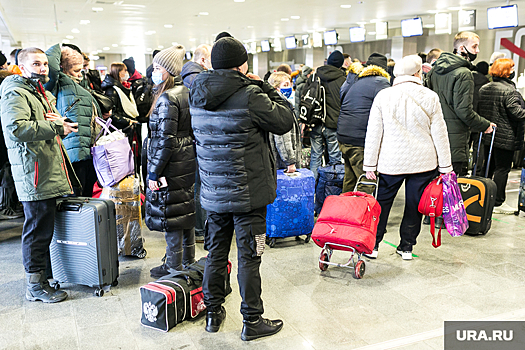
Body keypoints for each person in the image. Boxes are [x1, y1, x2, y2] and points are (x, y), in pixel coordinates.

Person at [189, 37, 294, 341]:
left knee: (215, 252)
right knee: (250, 256)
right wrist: (266, 85)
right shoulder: (250, 94)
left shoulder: (196, 92)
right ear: (241, 64)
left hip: (213, 192)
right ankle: (252, 320)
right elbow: (285, 119)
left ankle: (212, 312)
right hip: (249, 193)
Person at [0, 47, 80, 302]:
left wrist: (58, 121)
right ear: (21, 68)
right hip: (33, 173)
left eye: (45, 64)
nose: (43, 68)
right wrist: (56, 126)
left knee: (44, 228)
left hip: (44, 169)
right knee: (36, 230)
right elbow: (16, 128)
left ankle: (43, 279)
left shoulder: (36, 91)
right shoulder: (15, 91)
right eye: (36, 64)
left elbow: (42, 122)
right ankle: (34, 287)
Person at [363, 55, 453, 260]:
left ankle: (373, 245)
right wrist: (446, 166)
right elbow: (440, 133)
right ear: (417, 73)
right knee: (414, 205)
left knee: (382, 204)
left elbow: (374, 132)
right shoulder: (430, 96)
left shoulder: (384, 96)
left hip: (391, 162)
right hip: (423, 162)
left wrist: (370, 163)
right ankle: (406, 247)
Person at [145, 45, 196, 277]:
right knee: (183, 210)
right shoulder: (186, 92)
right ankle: (188, 261)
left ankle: (173, 266)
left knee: (170, 213)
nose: (154, 71)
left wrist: (154, 172)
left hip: (169, 163)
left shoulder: (166, 98)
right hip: (185, 160)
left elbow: (165, 140)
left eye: (158, 67)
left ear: (169, 70)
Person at [426, 31, 495, 177]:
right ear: (462, 48)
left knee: (435, 190)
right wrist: (485, 124)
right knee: (453, 191)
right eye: (474, 46)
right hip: (455, 140)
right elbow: (464, 110)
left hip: (434, 137)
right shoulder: (464, 73)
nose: (478, 51)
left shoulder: (435, 70)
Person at [44, 44, 105, 197]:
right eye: (76, 70)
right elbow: (51, 64)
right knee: (75, 197)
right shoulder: (58, 84)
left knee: (86, 194)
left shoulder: (78, 85)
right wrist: (59, 47)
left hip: (86, 149)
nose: (80, 75)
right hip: (73, 151)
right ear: (63, 69)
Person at [337, 53, 390, 193]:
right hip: (360, 139)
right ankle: (362, 213)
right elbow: (388, 110)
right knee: (367, 182)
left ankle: (345, 211)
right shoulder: (381, 82)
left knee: (350, 179)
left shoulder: (355, 80)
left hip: (343, 136)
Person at [478, 58, 525, 214]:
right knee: (503, 169)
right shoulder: (510, 91)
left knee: (488, 167)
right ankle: (498, 202)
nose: (512, 72)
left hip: (488, 134)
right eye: (511, 69)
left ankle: (482, 198)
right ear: (506, 72)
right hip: (506, 136)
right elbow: (517, 113)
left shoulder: (484, 88)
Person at [309, 50, 346, 178]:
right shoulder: (343, 80)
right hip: (333, 124)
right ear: (341, 64)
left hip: (316, 122)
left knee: (315, 156)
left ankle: (313, 187)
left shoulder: (315, 76)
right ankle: (331, 187)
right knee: (335, 159)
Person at [268, 71, 302, 172]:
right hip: (282, 163)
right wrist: (290, 162)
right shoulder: (280, 106)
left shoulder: (272, 104)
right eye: (285, 85)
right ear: (275, 88)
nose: (289, 88)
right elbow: (282, 138)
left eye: (290, 84)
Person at [101, 62, 139, 130]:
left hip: (125, 127)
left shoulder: (124, 87)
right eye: (125, 70)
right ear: (119, 73)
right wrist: (127, 121)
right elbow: (111, 113)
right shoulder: (112, 90)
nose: (127, 73)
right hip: (118, 129)